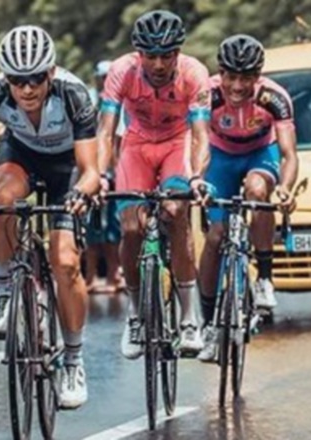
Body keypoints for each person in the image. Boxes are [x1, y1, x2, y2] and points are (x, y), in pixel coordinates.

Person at [0, 25, 99, 409]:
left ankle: (73, 359)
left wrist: (83, 193)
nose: (28, 89)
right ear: (6, 78)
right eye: (18, 80)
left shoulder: (74, 95)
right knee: (2, 197)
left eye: (36, 78)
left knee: (65, 262)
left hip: (67, 167)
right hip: (21, 157)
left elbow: (91, 171)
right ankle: (3, 296)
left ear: (50, 73)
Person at [97, 10, 212, 359]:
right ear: (139, 53)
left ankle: (190, 317)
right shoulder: (122, 72)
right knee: (131, 227)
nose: (159, 64)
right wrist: (102, 175)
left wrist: (196, 177)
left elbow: (201, 136)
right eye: (151, 55)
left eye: (167, 55)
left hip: (178, 144)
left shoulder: (194, 74)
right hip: (136, 144)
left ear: (178, 53)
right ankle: (135, 313)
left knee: (175, 212)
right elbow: (105, 132)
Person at [197, 35, 298, 362]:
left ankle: (264, 278)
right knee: (215, 236)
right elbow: (194, 142)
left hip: (259, 153)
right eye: (231, 76)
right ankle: (209, 323)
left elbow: (289, 153)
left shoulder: (275, 97)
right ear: (220, 73)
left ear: (259, 77)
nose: (237, 86)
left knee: (259, 191)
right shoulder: (206, 95)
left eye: (246, 79)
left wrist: (285, 187)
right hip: (219, 157)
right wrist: (196, 178)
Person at [84, 60, 122, 293]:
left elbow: (116, 142)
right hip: (93, 170)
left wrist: (116, 172)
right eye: (102, 77)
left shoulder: (120, 103)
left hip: (114, 173)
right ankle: (89, 278)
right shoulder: (90, 102)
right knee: (92, 228)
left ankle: (113, 276)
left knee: (113, 230)